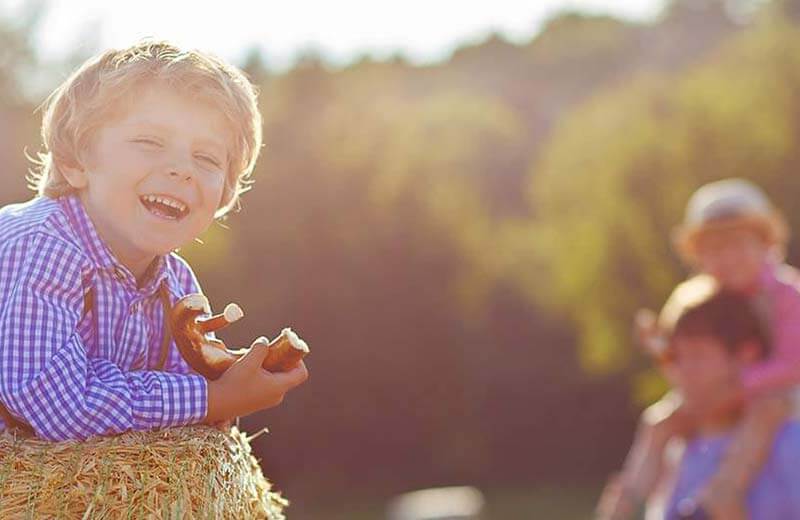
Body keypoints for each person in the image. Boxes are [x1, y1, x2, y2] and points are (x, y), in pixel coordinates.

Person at [0, 39, 308, 441]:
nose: (181, 169)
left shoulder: (176, 286)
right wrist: (212, 399)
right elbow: (53, 402)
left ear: (224, 194)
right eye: (150, 142)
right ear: (75, 161)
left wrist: (236, 385)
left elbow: (189, 405)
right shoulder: (45, 247)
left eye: (206, 158)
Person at [597, 178, 800, 519]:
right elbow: (677, 355)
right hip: (715, 396)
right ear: (698, 256)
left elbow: (793, 364)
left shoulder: (787, 293)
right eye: (714, 249)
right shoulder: (695, 299)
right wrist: (658, 346)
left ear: (766, 243)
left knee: (765, 413)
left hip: (779, 395)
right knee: (659, 421)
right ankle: (626, 500)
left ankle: (725, 490)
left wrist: (736, 387)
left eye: (738, 245)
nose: (727, 258)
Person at [660, 285, 800, 519]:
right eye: (675, 357)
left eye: (698, 355)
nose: (682, 371)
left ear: (747, 355)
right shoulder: (682, 449)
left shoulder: (790, 446)